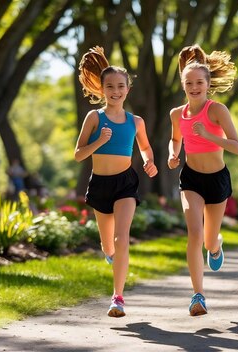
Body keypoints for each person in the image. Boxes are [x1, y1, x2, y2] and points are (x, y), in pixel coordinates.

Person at [75, 46, 158, 318]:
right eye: (110, 86)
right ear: (102, 89)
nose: (115, 91)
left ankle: (117, 298)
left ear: (127, 90)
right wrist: (99, 141)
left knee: (122, 239)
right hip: (100, 184)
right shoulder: (94, 117)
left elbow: (145, 147)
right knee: (108, 245)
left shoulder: (136, 121)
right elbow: (78, 155)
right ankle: (110, 252)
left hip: (125, 184)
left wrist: (148, 160)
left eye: (120, 86)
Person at [167, 44, 238, 316]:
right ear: (183, 85)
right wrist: (173, 155)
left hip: (218, 180)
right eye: (189, 83)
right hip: (191, 179)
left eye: (199, 82)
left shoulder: (217, 110)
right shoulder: (177, 114)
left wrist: (209, 135)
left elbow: (236, 146)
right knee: (194, 234)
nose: (194, 87)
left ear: (208, 85)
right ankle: (198, 295)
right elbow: (175, 140)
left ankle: (217, 244)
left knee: (208, 241)